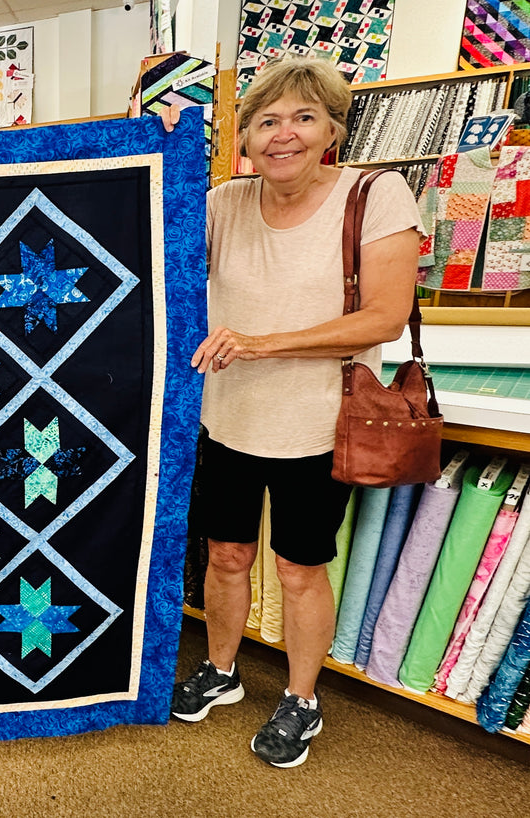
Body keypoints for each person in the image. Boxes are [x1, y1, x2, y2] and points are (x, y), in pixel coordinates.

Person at [160, 57, 422, 768]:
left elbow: (384, 317)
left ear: (331, 128)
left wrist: (260, 343)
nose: (284, 135)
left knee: (300, 568)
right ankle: (221, 670)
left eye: (304, 118)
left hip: (319, 424)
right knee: (225, 555)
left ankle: (302, 698)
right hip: (230, 417)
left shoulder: (376, 195)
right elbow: (157, 255)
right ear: (243, 136)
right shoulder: (225, 202)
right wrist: (160, 148)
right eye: (266, 121)